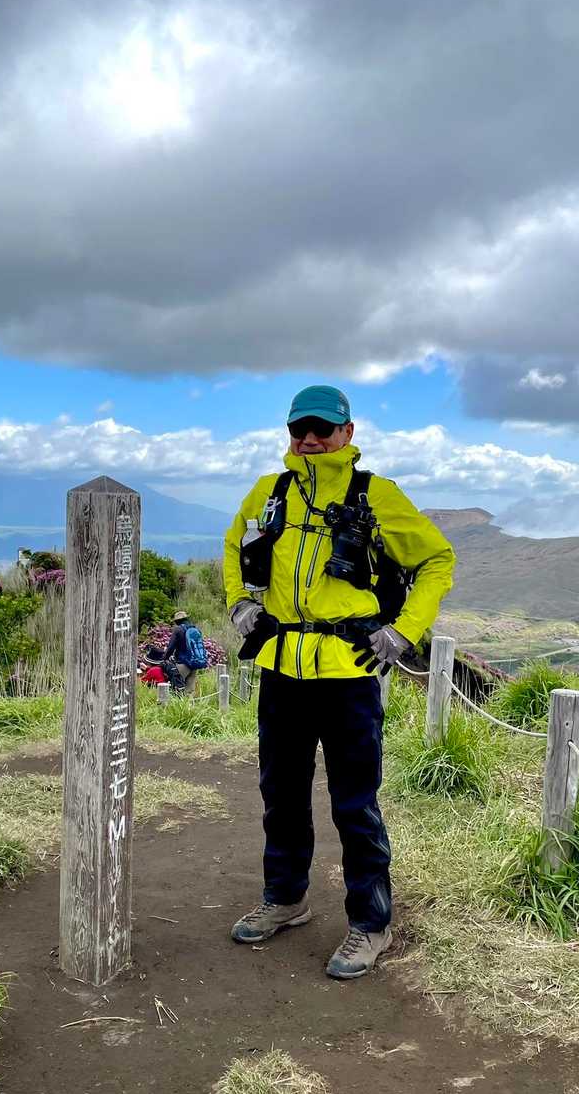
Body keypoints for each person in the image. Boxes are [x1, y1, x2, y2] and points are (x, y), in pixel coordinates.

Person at [223, 385, 455, 979]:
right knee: (281, 795)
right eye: (299, 428)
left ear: (347, 433)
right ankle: (285, 899)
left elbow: (437, 560)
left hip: (350, 674)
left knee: (354, 803)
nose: (310, 439)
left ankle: (371, 925)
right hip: (282, 670)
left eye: (322, 429)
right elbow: (234, 543)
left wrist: (403, 632)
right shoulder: (270, 491)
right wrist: (239, 602)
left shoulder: (377, 495)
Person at [162, 611, 207, 696]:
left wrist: (164, 659)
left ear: (177, 621)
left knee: (176, 690)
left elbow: (170, 648)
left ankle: (176, 705)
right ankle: (189, 705)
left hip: (182, 664)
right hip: (194, 664)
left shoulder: (178, 630)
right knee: (189, 691)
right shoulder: (195, 629)